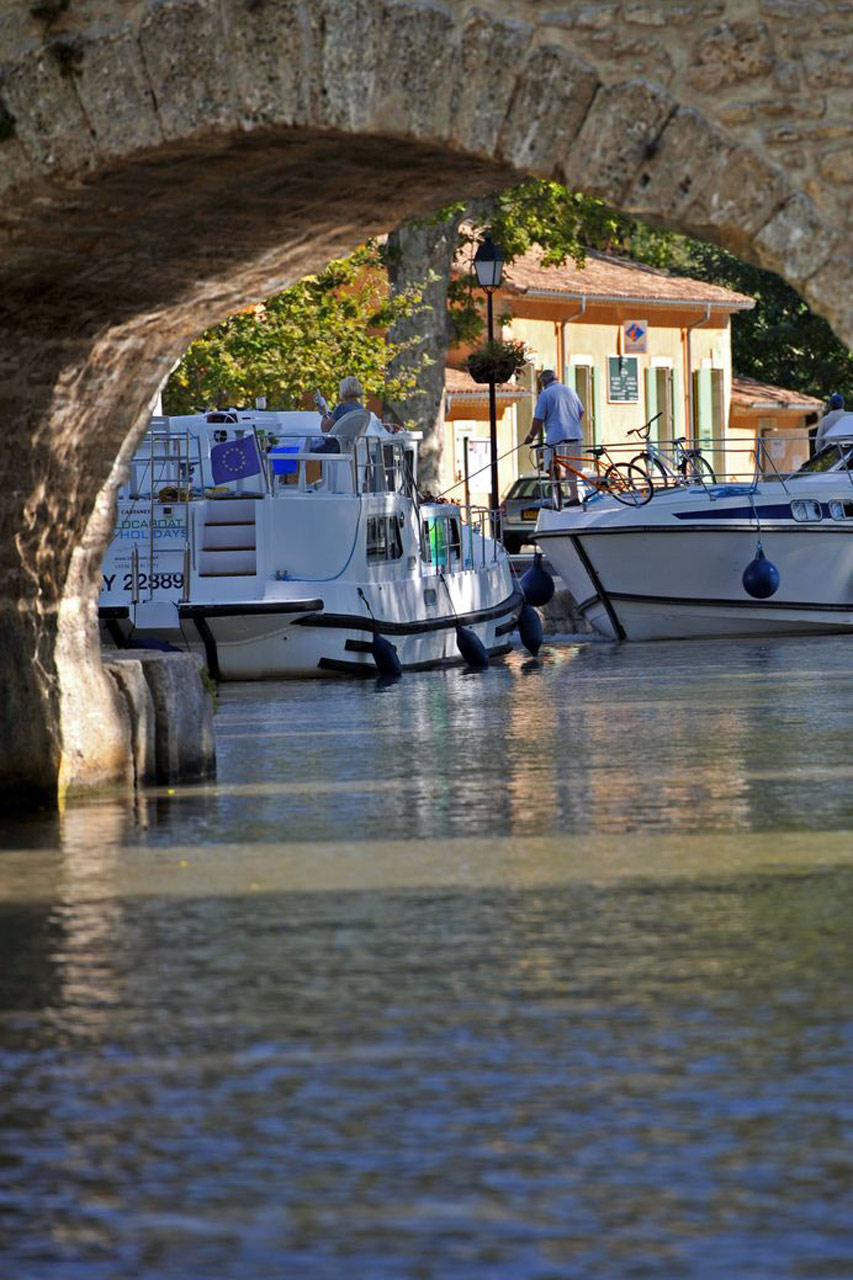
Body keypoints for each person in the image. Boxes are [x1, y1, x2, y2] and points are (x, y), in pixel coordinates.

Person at [523, 369, 585, 507]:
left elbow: (538, 419)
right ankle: (574, 497)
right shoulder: (570, 391)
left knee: (552, 467)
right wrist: (571, 423)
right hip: (575, 436)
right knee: (571, 469)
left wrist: (531, 436)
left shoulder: (545, 394)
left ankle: (556, 500)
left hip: (556, 438)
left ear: (544, 381)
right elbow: (581, 412)